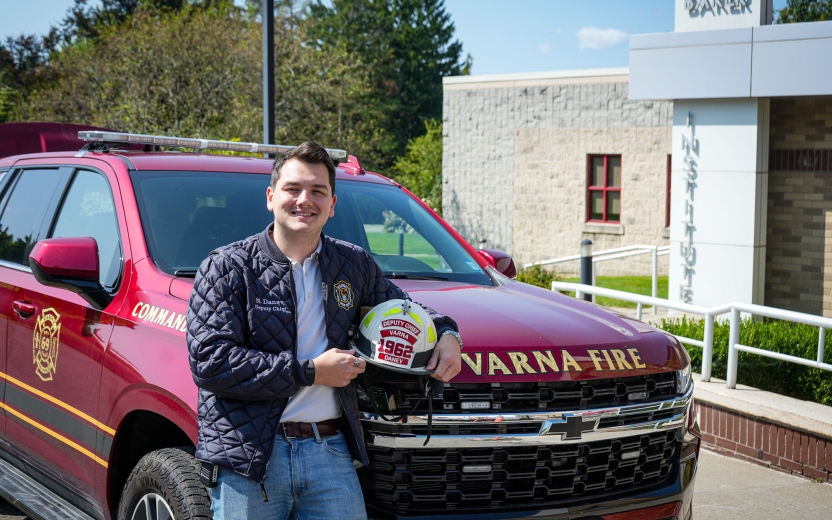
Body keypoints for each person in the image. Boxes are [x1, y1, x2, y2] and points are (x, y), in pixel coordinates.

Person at [187, 141, 462, 520]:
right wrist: (312, 371)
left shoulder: (352, 264)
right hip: (249, 457)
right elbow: (211, 363)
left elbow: (407, 310)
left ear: (332, 205)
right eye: (293, 189)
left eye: (318, 191)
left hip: (330, 451)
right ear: (270, 197)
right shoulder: (227, 267)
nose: (305, 200)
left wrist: (448, 335)